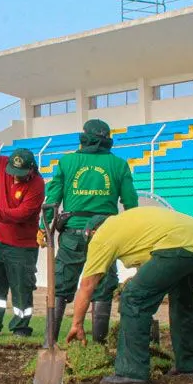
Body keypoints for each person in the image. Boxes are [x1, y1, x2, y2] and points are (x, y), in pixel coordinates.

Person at [65, 206, 193, 384]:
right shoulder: (127, 223)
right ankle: (188, 365)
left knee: (133, 298)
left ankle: (132, 372)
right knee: (181, 300)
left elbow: (87, 285)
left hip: (177, 244)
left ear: (93, 232)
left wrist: (76, 324)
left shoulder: (102, 235)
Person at [41, 119, 138, 344]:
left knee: (61, 285)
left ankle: (50, 342)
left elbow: (52, 200)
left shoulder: (67, 162)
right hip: (105, 233)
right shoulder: (119, 165)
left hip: (72, 233)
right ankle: (98, 343)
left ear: (84, 137)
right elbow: (130, 201)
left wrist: (43, 228)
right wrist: (134, 226)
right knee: (102, 286)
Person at [0, 135, 45, 337]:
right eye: (13, 173)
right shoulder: (3, 164)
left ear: (31, 170)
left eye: (20, 174)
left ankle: (21, 326)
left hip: (22, 246)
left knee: (22, 287)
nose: (16, 177)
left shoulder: (38, 185)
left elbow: (23, 214)